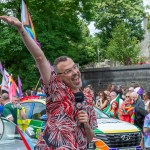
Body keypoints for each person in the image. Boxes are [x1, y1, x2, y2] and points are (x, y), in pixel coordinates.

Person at [0, 16, 98, 149]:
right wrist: (21, 28)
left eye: (75, 67)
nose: (75, 72)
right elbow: (39, 58)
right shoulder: (56, 89)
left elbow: (90, 137)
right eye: (68, 71)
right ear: (59, 77)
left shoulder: (86, 98)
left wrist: (86, 124)